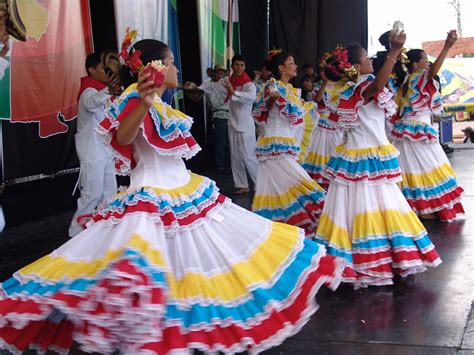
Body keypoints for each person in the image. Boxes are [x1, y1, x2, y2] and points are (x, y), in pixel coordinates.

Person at [0, 37, 344, 354]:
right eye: (172, 61)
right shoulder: (136, 97)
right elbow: (123, 134)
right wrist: (143, 102)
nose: (177, 68)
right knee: (150, 267)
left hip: (179, 189)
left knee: (192, 263)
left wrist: (149, 101)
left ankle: (170, 329)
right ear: (158, 68)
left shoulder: (156, 101)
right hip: (154, 194)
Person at [315, 31, 442, 287]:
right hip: (365, 157)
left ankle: (372, 259)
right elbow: (378, 86)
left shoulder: (349, 89)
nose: (370, 60)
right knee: (376, 208)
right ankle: (376, 260)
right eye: (365, 57)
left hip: (361, 156)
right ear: (354, 66)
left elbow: (378, 88)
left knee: (362, 211)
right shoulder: (360, 87)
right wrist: (394, 52)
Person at [391, 30, 464, 222]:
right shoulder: (417, 77)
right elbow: (433, 71)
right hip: (418, 132)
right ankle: (429, 209)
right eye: (425, 60)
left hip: (409, 132)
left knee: (415, 172)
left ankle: (421, 209)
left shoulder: (406, 82)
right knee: (430, 169)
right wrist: (447, 47)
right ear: (416, 64)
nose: (428, 63)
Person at [252, 51, 325, 238]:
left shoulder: (291, 91)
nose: (295, 66)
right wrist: (271, 99)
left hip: (284, 147)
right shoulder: (273, 86)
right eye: (291, 63)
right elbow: (263, 110)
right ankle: (278, 231)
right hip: (274, 146)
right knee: (300, 186)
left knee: (283, 190)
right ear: (281, 68)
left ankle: (281, 232)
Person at [68, 53, 120, 237]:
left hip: (105, 149)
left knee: (110, 193)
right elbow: (91, 103)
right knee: (92, 193)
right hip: (91, 151)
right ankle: (76, 233)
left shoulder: (105, 91)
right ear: (91, 70)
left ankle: (104, 229)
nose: (107, 73)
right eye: (103, 69)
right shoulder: (88, 91)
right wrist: (108, 90)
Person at [301, 58, 344, 189]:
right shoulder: (322, 86)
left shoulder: (344, 86)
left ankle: (334, 178)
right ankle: (321, 180)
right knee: (321, 150)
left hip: (337, 124)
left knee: (334, 150)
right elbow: (318, 98)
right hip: (323, 124)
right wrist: (325, 83)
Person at [223, 54, 259, 194]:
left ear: (245, 67)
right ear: (232, 66)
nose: (239, 68)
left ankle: (259, 184)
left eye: (242, 65)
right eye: (236, 65)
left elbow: (251, 98)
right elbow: (214, 86)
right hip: (232, 122)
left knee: (249, 155)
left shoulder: (248, 84)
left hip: (245, 124)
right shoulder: (228, 80)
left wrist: (234, 92)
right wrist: (198, 87)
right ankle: (242, 185)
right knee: (235, 155)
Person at [187, 64, 230, 173]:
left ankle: (229, 165)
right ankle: (220, 166)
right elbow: (196, 90)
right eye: (218, 73)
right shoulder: (208, 84)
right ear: (214, 74)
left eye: (222, 73)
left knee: (230, 142)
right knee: (221, 142)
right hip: (219, 114)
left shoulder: (226, 83)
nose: (220, 75)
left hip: (231, 115)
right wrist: (190, 87)